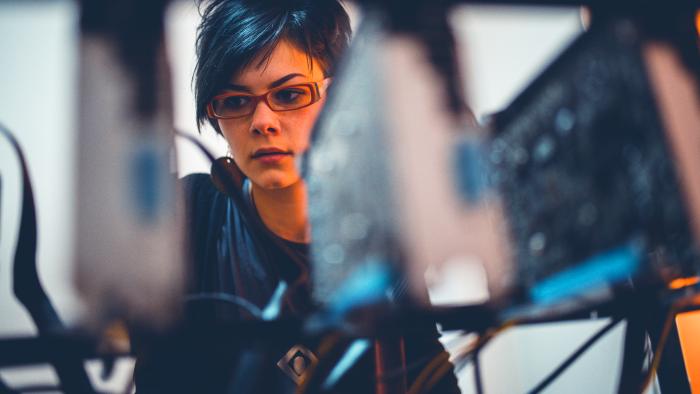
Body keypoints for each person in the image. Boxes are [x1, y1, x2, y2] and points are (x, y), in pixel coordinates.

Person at [132, 1, 460, 393]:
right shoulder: (189, 216)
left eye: (289, 95)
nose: (262, 122)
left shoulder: (380, 235)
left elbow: (429, 373)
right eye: (236, 102)